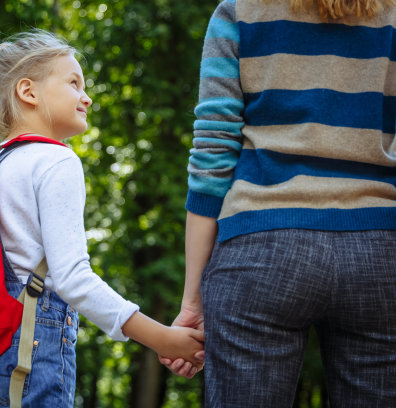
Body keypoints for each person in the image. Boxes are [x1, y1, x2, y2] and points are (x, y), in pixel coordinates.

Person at [0, 30, 205, 408]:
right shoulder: (56, 161)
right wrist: (160, 336)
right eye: (74, 83)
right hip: (25, 359)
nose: (87, 96)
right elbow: (72, 279)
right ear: (28, 92)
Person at [161, 0, 396, 406]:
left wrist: (192, 301)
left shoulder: (239, 12)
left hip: (261, 248)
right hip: (379, 252)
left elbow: (212, 159)